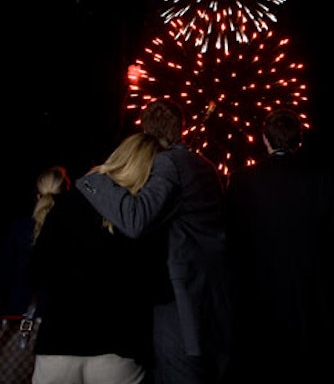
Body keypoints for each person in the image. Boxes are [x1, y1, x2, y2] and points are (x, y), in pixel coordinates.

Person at [76, 98, 232, 384]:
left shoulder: (168, 164)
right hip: (213, 295)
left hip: (179, 302)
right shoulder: (205, 166)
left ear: (145, 130)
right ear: (181, 128)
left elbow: (135, 219)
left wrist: (95, 179)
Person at [224, 108, 334, 384]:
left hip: (262, 303)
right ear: (300, 137)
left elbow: (232, 245)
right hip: (317, 300)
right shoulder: (325, 178)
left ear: (264, 139)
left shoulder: (241, 182)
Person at [30, 133, 162, 384]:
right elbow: (154, 285)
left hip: (60, 339)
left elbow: (36, 270)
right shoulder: (142, 219)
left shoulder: (70, 202)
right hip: (118, 345)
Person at [0, 165, 70, 384]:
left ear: (37, 194)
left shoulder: (20, 228)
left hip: (19, 318)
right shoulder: (70, 234)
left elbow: (4, 276)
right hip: (58, 327)